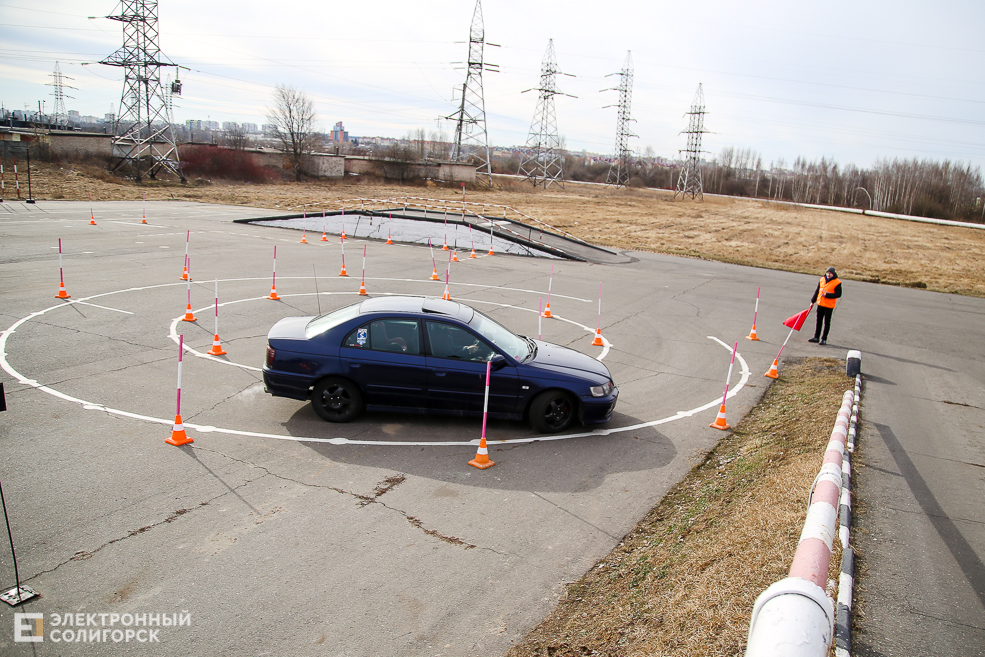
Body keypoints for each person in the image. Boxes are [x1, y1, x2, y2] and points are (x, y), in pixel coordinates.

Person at [808, 267, 842, 345]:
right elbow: (817, 291)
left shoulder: (837, 282)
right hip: (820, 304)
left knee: (827, 322)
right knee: (818, 321)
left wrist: (827, 295)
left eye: (830, 273)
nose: (829, 275)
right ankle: (816, 337)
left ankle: (824, 339)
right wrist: (813, 301)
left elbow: (838, 294)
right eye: (827, 273)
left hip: (829, 306)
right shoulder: (822, 279)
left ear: (833, 274)